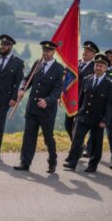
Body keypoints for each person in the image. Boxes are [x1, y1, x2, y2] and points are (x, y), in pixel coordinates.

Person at [14, 41, 65, 173]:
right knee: (29, 136)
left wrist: (47, 101)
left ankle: (52, 161)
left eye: (48, 51)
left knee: (48, 137)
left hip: (47, 111)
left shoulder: (59, 69)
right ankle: (25, 163)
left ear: (53, 52)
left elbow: (58, 90)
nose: (45, 53)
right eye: (44, 50)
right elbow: (27, 79)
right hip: (32, 108)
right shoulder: (38, 63)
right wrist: (22, 89)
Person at [63, 54, 112, 173]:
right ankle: (72, 162)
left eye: (101, 66)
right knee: (77, 140)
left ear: (105, 68)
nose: (98, 68)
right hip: (83, 116)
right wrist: (77, 113)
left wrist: (105, 120)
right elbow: (81, 98)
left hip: (98, 119)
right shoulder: (87, 79)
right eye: (97, 65)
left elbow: (109, 105)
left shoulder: (109, 85)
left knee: (96, 144)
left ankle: (93, 165)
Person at [0, 35, 25, 161]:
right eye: (2, 44)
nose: (3, 47)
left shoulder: (17, 63)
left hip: (5, 99)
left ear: (11, 46)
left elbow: (18, 82)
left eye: (6, 45)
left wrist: (14, 98)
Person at [68, 41, 98, 140]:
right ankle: (77, 145)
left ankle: (77, 146)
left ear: (94, 55)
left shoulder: (95, 67)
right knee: (68, 124)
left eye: (88, 51)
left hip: (84, 101)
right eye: (85, 50)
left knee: (77, 126)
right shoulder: (76, 63)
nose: (85, 52)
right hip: (72, 100)